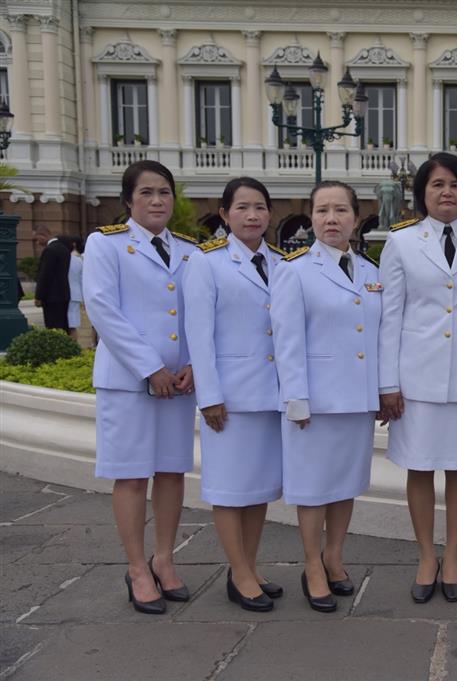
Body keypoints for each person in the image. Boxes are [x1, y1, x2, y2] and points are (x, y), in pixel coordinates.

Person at [378, 152, 457, 604]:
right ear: (422, 194)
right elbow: (388, 317)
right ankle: (425, 557)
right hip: (415, 379)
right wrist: (387, 383)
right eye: (437, 185)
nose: (447, 192)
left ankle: (452, 556)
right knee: (419, 466)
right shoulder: (401, 243)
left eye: (455, 184)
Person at [82, 160, 199, 614]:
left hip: (178, 383)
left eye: (164, 192)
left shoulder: (189, 250)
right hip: (130, 382)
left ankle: (164, 558)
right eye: (147, 192)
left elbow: (197, 313)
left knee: (171, 473)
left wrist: (193, 364)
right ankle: (136, 568)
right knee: (132, 475)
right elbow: (103, 309)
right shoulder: (106, 244)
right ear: (129, 200)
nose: (157, 201)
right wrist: (150, 368)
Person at [271, 181, 381, 614]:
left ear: (355, 218)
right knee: (313, 489)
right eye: (322, 211)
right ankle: (312, 564)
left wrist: (381, 391)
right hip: (315, 401)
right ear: (310, 219)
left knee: (344, 484)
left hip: (356, 399)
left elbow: (375, 337)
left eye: (340, 211)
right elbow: (287, 340)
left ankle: (335, 555)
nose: (331, 219)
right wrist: (295, 397)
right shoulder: (294, 270)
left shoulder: (370, 272)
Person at [183, 177, 288, 612]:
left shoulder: (281, 261)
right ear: (225, 214)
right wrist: (209, 395)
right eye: (242, 207)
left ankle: (248, 565)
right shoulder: (205, 262)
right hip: (229, 397)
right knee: (229, 489)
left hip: (271, 394)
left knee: (258, 488)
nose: (252, 215)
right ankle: (238, 573)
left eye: (260, 207)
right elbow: (199, 335)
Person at [33, 225, 72, 333]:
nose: (37, 243)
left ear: (43, 236)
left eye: (37, 239)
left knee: (53, 327)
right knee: (64, 326)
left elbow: (45, 275)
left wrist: (39, 296)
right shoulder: (64, 249)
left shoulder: (49, 250)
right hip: (64, 293)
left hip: (51, 297)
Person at [58, 236, 85, 341]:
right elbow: (82, 279)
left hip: (64, 294)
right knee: (72, 324)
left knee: (67, 325)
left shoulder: (62, 260)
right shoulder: (78, 260)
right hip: (76, 294)